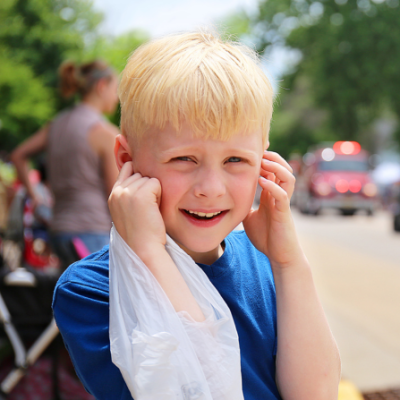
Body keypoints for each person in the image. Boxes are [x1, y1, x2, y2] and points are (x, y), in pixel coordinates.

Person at [53, 32, 341, 400]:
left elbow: (317, 394)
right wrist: (149, 252)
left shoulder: (268, 266)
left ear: (264, 163)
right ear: (127, 160)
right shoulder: (91, 291)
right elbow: (201, 389)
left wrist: (289, 264)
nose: (211, 188)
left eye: (235, 160)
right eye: (183, 159)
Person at [11, 60, 120, 271]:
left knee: (72, 297)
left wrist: (35, 196)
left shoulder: (56, 125)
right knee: (98, 301)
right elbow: (115, 194)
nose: (116, 97)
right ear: (101, 87)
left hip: (59, 230)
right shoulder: (104, 133)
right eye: (115, 89)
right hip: (93, 232)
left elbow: (18, 155)